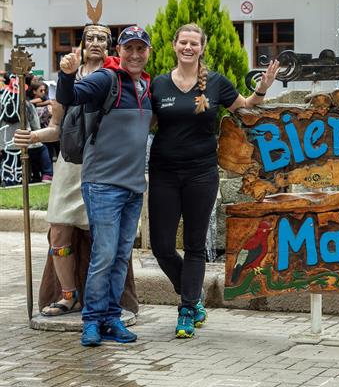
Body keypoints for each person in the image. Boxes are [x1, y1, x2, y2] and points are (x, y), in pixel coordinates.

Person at [149, 23, 280, 339]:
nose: (188, 48)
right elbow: (145, 121)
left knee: (195, 245)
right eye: (183, 42)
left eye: (194, 43)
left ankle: (186, 309)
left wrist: (263, 87)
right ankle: (192, 297)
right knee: (161, 246)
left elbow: (247, 106)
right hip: (164, 173)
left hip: (201, 173)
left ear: (202, 48)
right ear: (174, 45)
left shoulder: (216, 83)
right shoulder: (158, 85)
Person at [13, 26, 137, 317]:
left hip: (104, 166)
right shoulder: (66, 81)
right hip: (70, 166)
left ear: (110, 46)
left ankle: (103, 300)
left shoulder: (118, 78)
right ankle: (68, 294)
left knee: (102, 237)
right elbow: (57, 128)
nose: (95, 43)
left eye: (102, 39)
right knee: (58, 231)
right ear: (81, 44)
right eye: (90, 38)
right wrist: (31, 137)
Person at [57, 26, 152, 347]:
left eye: (141, 49)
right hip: (102, 184)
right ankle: (92, 321)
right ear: (119, 51)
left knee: (121, 256)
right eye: (130, 49)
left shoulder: (147, 85)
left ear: (149, 52)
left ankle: (112, 317)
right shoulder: (106, 79)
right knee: (104, 254)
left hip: (133, 188)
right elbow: (69, 98)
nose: (135, 54)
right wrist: (67, 74)